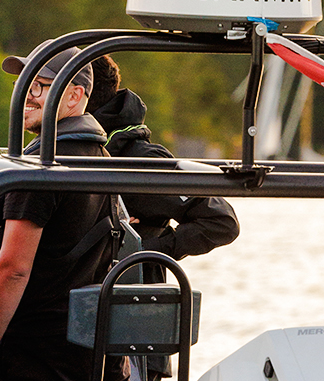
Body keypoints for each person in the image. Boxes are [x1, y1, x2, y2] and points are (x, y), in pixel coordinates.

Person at [0, 44, 129, 381]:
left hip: (40, 354)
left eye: (42, 85)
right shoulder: (103, 159)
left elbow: (13, 268)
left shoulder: (38, 169)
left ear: (75, 96)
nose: (28, 94)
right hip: (102, 348)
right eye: (26, 84)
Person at [86, 55, 239, 381]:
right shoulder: (65, 150)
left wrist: (146, 247)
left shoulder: (142, 159)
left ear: (81, 95)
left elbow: (222, 222)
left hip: (136, 331)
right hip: (80, 324)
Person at [86, 55, 240, 260]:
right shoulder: (51, 150)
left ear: (77, 94)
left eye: (43, 87)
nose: (32, 96)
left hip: (116, 287)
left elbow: (221, 223)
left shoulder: (142, 160)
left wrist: (139, 249)